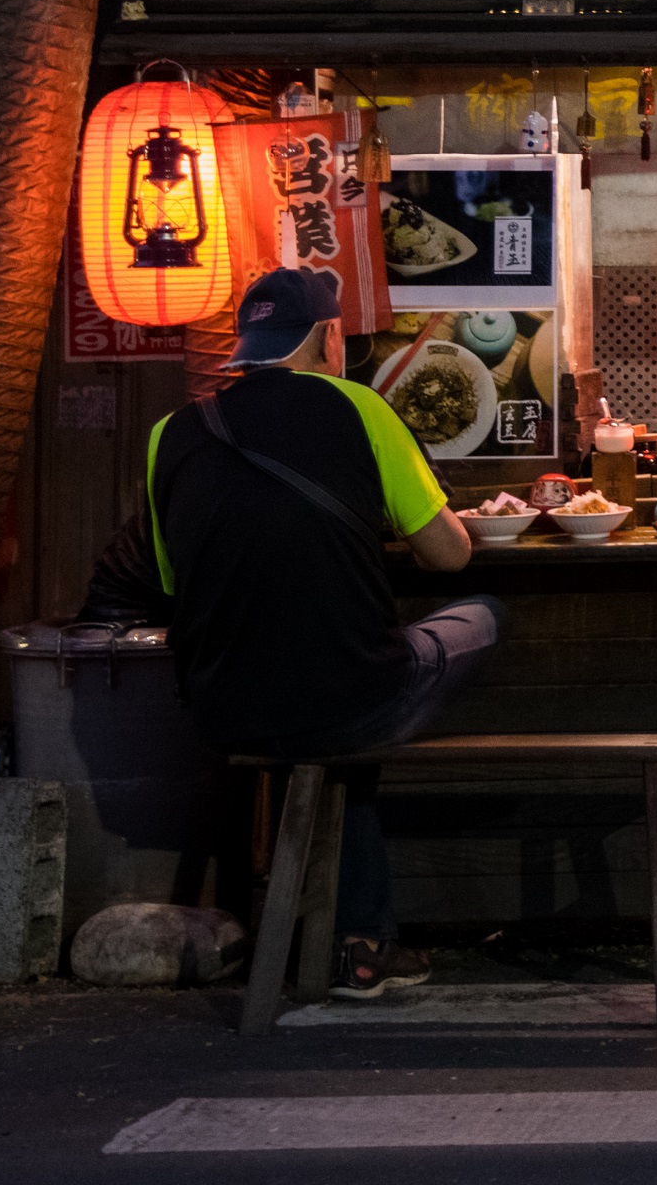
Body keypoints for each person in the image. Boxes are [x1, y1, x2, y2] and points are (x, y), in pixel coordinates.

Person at [146, 266, 496, 1002]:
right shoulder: (358, 409)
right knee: (484, 617)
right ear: (326, 336)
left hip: (225, 708)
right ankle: (365, 943)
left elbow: (176, 585)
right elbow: (449, 553)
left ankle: (363, 945)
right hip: (346, 694)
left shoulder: (168, 435)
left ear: (248, 343)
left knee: (337, 740)